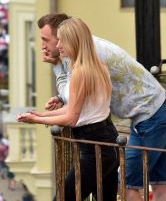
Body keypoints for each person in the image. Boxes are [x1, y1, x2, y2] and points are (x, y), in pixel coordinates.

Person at [38, 13, 166, 201]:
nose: (43, 46)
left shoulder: (86, 56)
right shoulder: (85, 48)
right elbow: (78, 94)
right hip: (156, 108)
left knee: (127, 185)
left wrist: (56, 67)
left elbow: (72, 97)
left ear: (64, 35)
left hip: (150, 115)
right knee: (159, 184)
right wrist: (62, 98)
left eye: (47, 39)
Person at [18, 17, 119, 200]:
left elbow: (72, 118)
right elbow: (77, 108)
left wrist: (38, 120)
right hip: (106, 141)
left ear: (74, 41)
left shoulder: (80, 72)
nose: (59, 44)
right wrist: (42, 114)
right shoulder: (95, 66)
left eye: (62, 39)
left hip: (94, 147)